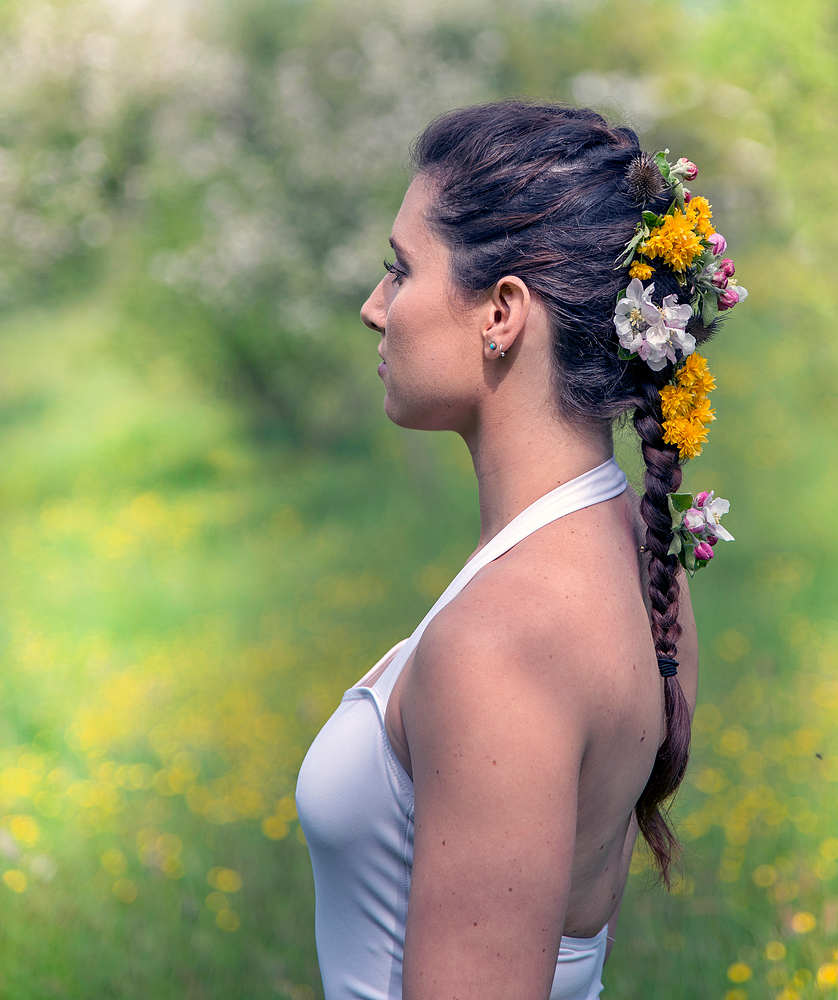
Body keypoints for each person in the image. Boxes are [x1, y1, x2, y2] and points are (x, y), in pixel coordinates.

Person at [296, 101, 741, 1000]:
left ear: (502, 312)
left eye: (401, 269)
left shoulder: (502, 643)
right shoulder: (641, 562)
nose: (373, 308)